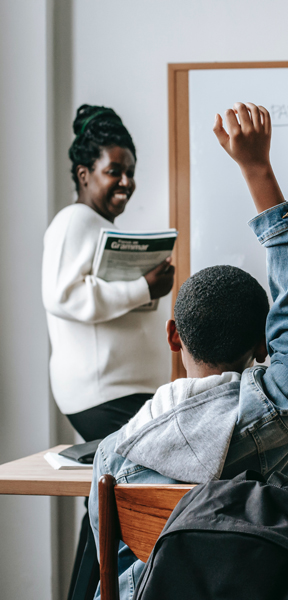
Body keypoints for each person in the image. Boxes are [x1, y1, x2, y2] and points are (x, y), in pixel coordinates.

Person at [88, 102, 288, 600]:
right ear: (263, 348)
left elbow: (108, 585)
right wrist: (258, 169)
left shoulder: (115, 456)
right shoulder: (276, 411)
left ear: (174, 337)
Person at [42, 105, 175, 441]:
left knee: (122, 483)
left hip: (126, 392)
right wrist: (144, 288)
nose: (126, 182)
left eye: (130, 172)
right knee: (137, 484)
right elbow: (63, 295)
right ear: (85, 174)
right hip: (105, 394)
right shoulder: (74, 220)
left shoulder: (97, 226)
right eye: (114, 171)